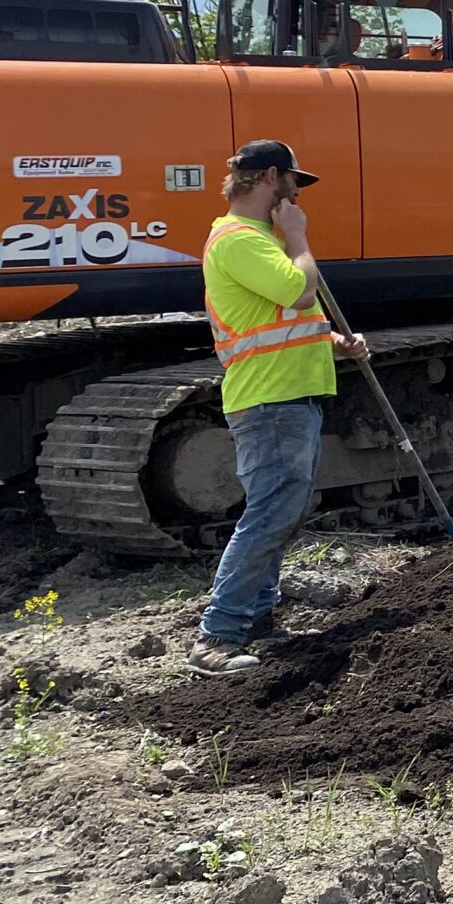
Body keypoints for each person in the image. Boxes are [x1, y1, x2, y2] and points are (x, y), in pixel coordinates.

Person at [188, 139, 368, 674]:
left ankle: (257, 615)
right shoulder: (242, 240)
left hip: (286, 394)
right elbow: (298, 291)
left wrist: (332, 341)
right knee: (270, 513)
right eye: (293, 181)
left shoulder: (257, 240)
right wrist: (298, 235)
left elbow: (280, 319)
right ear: (270, 177)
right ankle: (216, 637)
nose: (296, 192)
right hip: (269, 400)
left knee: (281, 510)